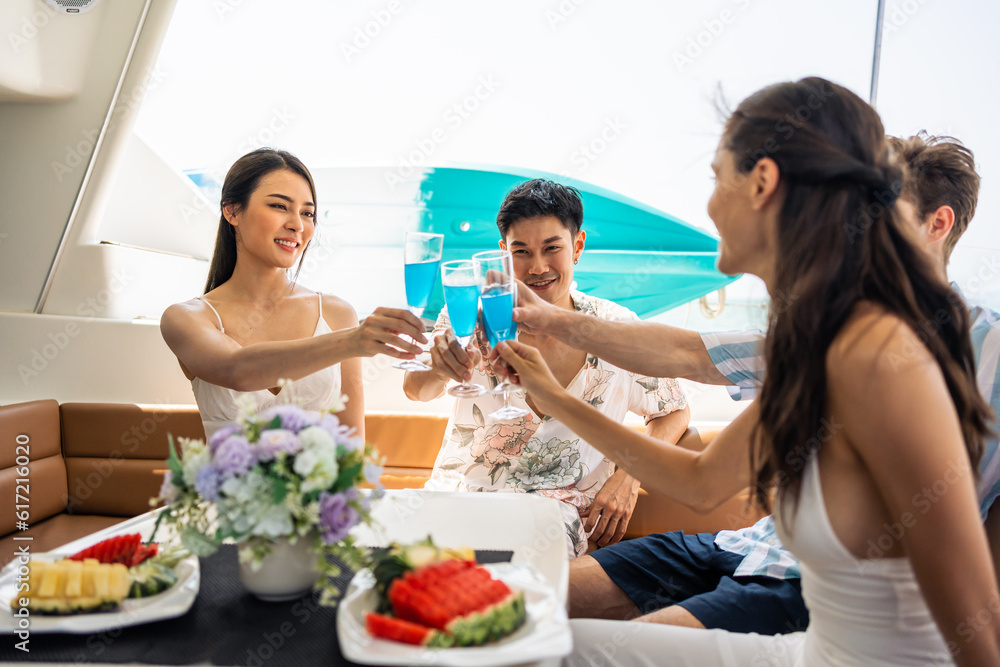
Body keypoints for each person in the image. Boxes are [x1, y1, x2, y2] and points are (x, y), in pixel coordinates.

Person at [494, 78, 1000, 665]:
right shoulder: (818, 337)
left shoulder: (882, 354)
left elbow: (976, 630)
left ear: (762, 183)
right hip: (790, 616)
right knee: (516, 628)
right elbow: (702, 481)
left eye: (715, 177)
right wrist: (550, 381)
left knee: (551, 654)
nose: (708, 205)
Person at [403, 179, 690, 558]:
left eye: (551, 248)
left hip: (553, 522)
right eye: (521, 251)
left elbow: (674, 410)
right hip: (461, 503)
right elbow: (416, 390)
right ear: (503, 253)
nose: (538, 267)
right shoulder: (467, 316)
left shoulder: (617, 328)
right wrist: (442, 368)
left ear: (578, 246)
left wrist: (630, 477)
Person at [161, 148, 427, 439]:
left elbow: (351, 445)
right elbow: (237, 371)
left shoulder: (336, 314)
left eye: (307, 213)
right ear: (232, 210)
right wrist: (351, 341)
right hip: (226, 485)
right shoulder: (186, 318)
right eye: (279, 206)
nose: (297, 225)